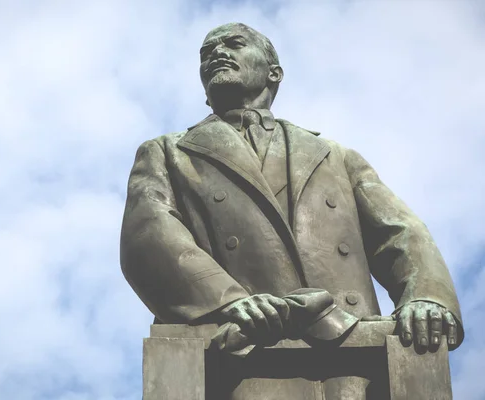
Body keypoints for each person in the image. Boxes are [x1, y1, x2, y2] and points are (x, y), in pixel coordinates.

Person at [120, 22, 463, 398]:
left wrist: (426, 295)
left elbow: (399, 230)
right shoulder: (169, 151)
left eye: (233, 44)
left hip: (351, 350)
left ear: (274, 72)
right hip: (245, 352)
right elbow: (150, 233)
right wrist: (231, 301)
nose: (216, 54)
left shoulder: (334, 155)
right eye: (206, 52)